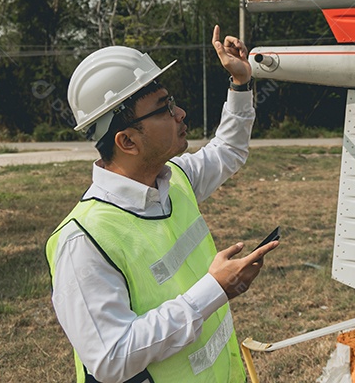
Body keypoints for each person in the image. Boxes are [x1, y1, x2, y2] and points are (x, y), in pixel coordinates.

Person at [46, 25, 277, 383]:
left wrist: (241, 85)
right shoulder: (83, 241)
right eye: (164, 108)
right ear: (127, 141)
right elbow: (111, 357)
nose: (180, 113)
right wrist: (213, 290)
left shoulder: (174, 180)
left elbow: (228, 150)